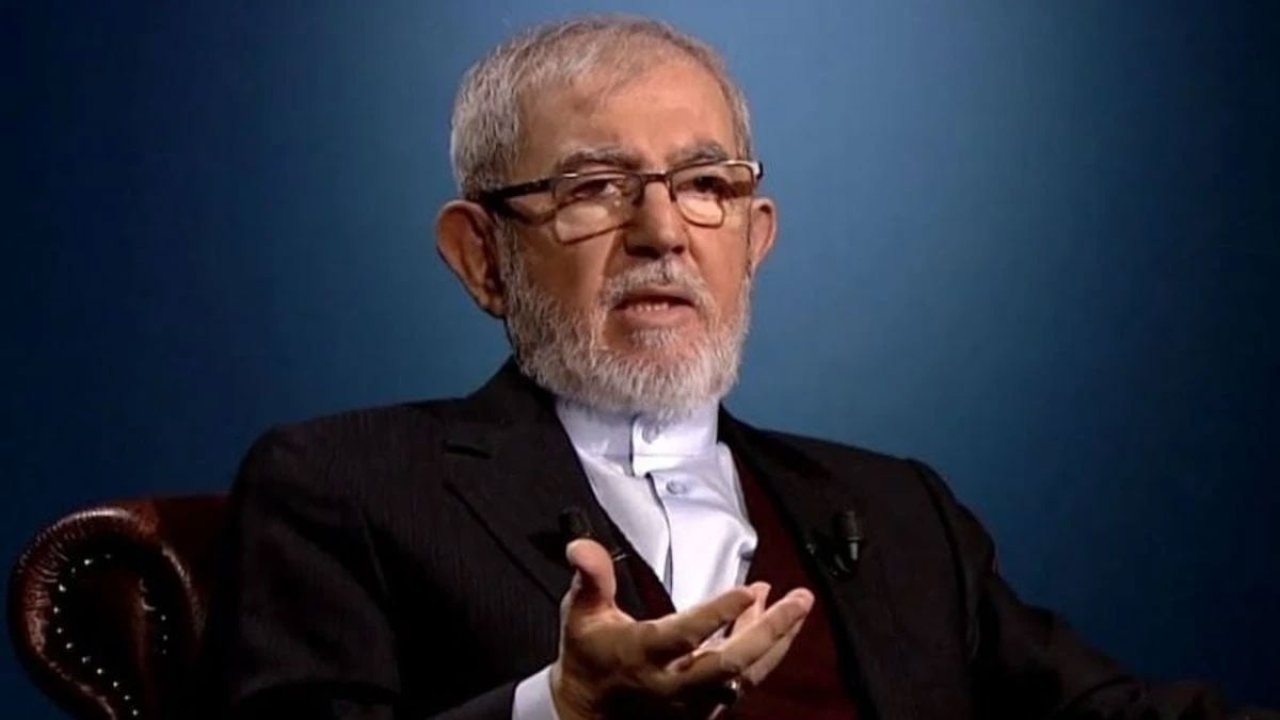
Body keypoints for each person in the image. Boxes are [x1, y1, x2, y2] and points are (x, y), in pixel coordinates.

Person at [205, 15, 1276, 720]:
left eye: (705, 184)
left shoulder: (898, 511)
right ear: (481, 256)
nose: (661, 232)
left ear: (754, 238)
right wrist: (560, 709)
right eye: (593, 189)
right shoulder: (347, 486)